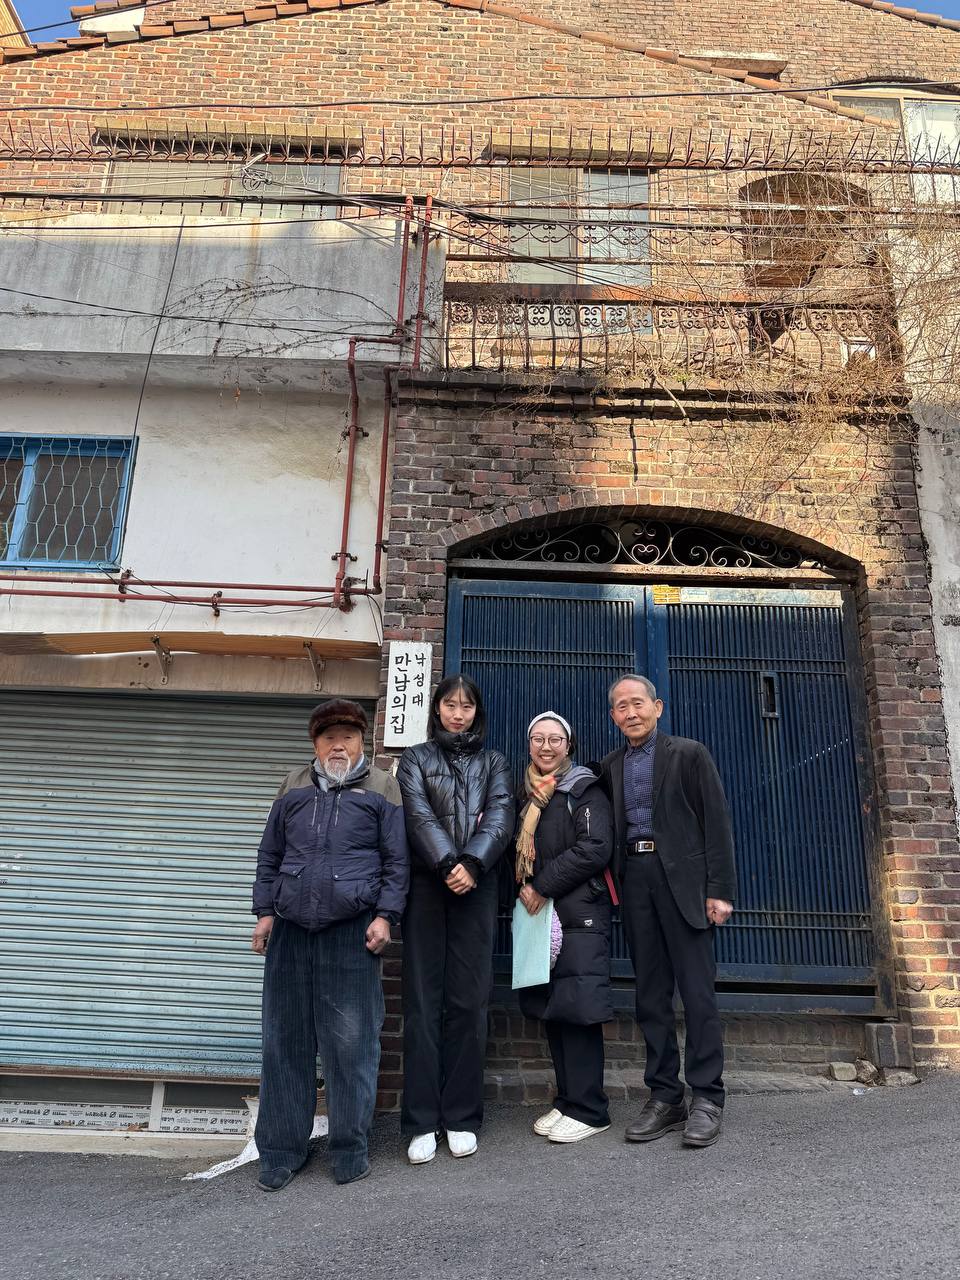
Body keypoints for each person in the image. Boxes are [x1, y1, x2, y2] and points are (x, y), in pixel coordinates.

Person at [251, 698, 409, 1190]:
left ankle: (349, 1148)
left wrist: (385, 916)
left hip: (352, 929)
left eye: (347, 736)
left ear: (362, 742)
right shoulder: (293, 786)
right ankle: (281, 1151)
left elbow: (397, 861)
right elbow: (270, 855)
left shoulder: (382, 787)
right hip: (291, 928)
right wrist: (264, 913)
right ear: (315, 744)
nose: (338, 745)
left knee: (351, 1044)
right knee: (285, 1042)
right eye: (328, 738)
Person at [601, 675, 736, 1149]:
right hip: (635, 880)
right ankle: (665, 1096)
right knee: (650, 996)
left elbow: (716, 822)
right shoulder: (611, 766)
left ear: (657, 707)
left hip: (685, 882)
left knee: (697, 994)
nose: (631, 712)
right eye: (621, 706)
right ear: (613, 716)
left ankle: (707, 1097)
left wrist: (719, 890)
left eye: (638, 703)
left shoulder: (689, 754)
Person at [396, 674, 514, 1165]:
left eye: (466, 706)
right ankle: (422, 1121)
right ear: (437, 709)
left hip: (477, 886)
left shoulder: (495, 762)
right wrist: (448, 863)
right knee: (423, 1003)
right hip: (427, 885)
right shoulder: (414, 759)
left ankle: (462, 1116)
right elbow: (417, 815)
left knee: (469, 1001)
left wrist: (473, 864)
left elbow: (501, 815)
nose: (458, 713)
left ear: (476, 712)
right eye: (450, 705)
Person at [515, 712, 615, 1144]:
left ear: (568, 746)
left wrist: (541, 885)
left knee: (578, 1009)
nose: (546, 746)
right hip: (542, 917)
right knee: (554, 1008)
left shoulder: (583, 789)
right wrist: (524, 887)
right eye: (538, 738)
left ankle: (591, 1109)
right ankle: (568, 1101)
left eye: (555, 739)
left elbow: (595, 848)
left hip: (580, 915)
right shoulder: (527, 796)